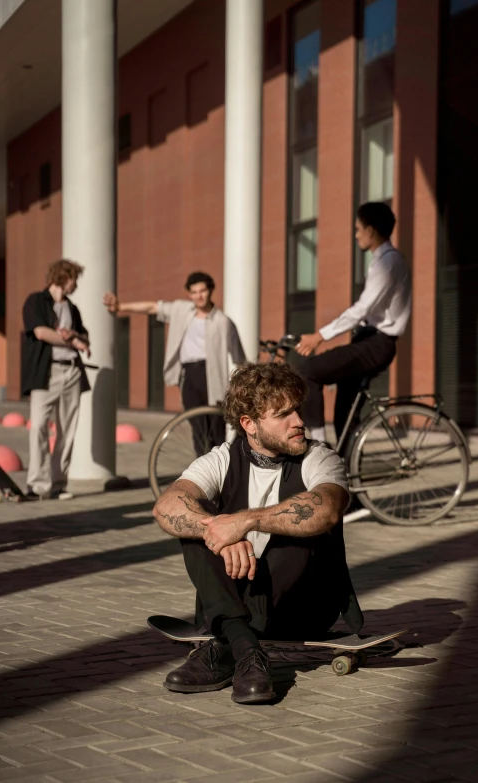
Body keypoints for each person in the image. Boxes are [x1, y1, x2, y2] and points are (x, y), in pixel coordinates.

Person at [153, 362, 363, 704]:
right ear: (249, 424)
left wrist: (244, 521)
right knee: (198, 524)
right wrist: (217, 530)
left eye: (298, 409)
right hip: (236, 598)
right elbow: (166, 506)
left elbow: (326, 509)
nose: (298, 421)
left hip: (299, 608)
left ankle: (225, 645)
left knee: (297, 528)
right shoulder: (221, 459)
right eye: (283, 414)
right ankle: (247, 650)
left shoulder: (320, 458)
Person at [295, 202, 411, 447]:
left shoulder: (387, 264)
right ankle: (346, 473)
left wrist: (319, 336)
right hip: (369, 340)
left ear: (370, 230)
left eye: (358, 229)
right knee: (345, 415)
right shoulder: (384, 261)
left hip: (376, 342)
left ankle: (317, 447)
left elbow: (361, 309)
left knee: (307, 371)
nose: (356, 234)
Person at [103, 272, 245, 453]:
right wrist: (120, 306)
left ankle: (221, 474)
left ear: (210, 291)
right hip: (189, 374)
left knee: (217, 430)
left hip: (213, 378)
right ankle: (204, 473)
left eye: (202, 291)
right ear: (189, 295)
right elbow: (153, 308)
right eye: (194, 292)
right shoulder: (181, 310)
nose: (198, 296)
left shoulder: (223, 322)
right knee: (198, 428)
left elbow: (239, 357)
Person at [22, 259, 91, 500]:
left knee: (67, 430)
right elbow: (40, 332)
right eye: (75, 279)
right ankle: (37, 485)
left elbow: (86, 337)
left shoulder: (72, 308)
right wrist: (74, 341)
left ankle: (57, 484)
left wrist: (76, 336)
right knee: (39, 426)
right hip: (46, 373)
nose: (76, 285)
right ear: (63, 277)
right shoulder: (35, 301)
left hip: (72, 371)